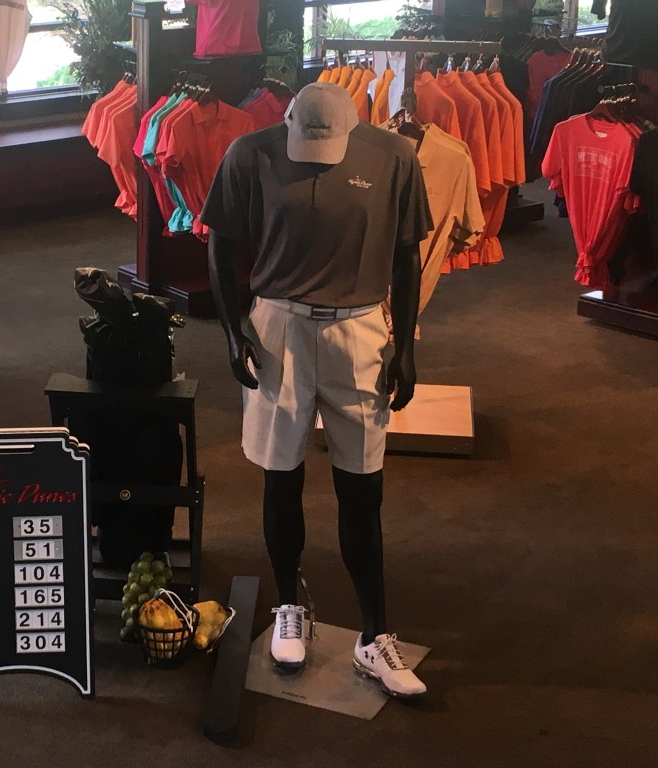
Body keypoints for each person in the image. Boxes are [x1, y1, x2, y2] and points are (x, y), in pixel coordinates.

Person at [201, 82, 430, 697]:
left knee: (364, 485)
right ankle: (288, 606)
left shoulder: (395, 157)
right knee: (281, 474)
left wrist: (407, 346)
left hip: (360, 326)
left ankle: (374, 634)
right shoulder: (249, 154)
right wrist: (232, 331)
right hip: (278, 325)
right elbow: (221, 244)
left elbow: (407, 255)